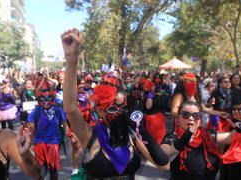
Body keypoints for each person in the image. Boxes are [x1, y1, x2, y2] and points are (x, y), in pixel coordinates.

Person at [62, 28, 169, 179]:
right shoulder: (89, 135)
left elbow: (164, 164)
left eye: (123, 108)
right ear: (100, 111)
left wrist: (141, 130)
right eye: (113, 108)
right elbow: (71, 108)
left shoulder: (131, 134)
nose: (120, 113)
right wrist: (72, 58)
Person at [160, 101, 241, 180]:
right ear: (177, 119)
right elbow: (164, 162)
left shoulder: (207, 135)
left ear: (200, 119)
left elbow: (231, 137)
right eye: (185, 115)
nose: (191, 118)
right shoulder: (171, 138)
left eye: (196, 115)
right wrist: (184, 139)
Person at [27, 87, 69, 180]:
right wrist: (28, 138)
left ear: (53, 99)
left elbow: (65, 125)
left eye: (49, 99)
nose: (46, 102)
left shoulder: (58, 110)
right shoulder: (36, 111)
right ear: (39, 99)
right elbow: (31, 130)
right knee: (42, 170)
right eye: (43, 99)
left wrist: (68, 135)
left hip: (53, 143)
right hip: (39, 143)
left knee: (53, 169)